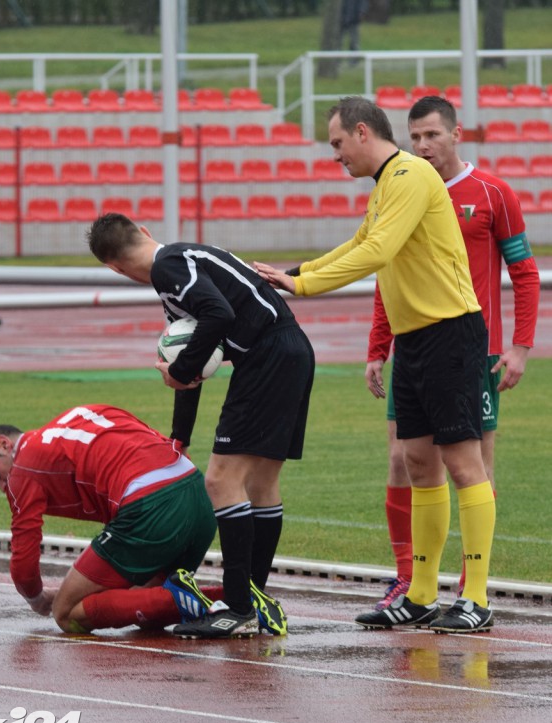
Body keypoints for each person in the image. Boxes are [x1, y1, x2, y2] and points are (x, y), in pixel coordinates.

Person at [255, 95, 496, 634]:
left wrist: (303, 286)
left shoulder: (409, 175)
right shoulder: (387, 183)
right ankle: (421, 595)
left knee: (463, 462)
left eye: (338, 143)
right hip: (414, 340)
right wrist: (296, 272)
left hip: (451, 333)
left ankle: (476, 598)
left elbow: (377, 252)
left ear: (362, 132)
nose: (336, 154)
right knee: (418, 462)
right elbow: (361, 242)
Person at [87, 217, 315, 639]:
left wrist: (181, 370)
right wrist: (180, 436)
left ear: (115, 269)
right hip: (291, 350)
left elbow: (217, 316)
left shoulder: (168, 267)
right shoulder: (184, 260)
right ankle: (253, 599)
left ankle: (239, 607)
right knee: (262, 483)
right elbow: (198, 352)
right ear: (144, 230)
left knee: (220, 480)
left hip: (268, 358)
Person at [365, 96, 540, 611]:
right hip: (414, 348)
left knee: (474, 464)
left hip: (473, 351)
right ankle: (409, 583)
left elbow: (525, 273)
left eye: (432, 135)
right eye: (415, 137)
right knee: (404, 459)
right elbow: (386, 271)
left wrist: (520, 347)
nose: (423, 146)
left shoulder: (493, 193)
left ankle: (470, 589)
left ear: (456, 134)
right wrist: (378, 347)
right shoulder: (398, 189)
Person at [0, 404, 226, 634]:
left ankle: (186, 599)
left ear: (4, 444)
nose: (1, 486)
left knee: (65, 613)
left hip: (150, 504)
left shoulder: (23, 467)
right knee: (146, 609)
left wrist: (35, 597)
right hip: (198, 495)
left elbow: (24, 557)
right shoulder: (81, 416)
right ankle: (231, 600)